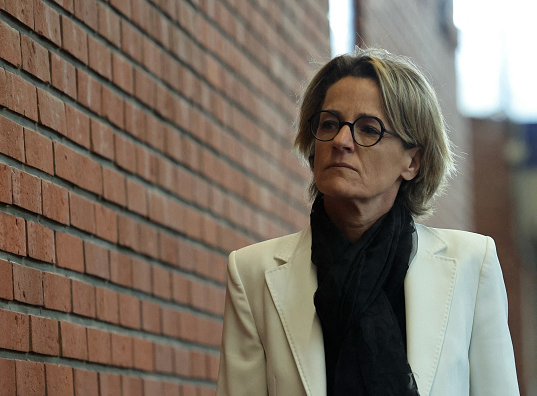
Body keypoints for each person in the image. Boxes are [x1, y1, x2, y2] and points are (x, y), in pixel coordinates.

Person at [215, 48, 520, 396]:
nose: (342, 142)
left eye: (368, 129)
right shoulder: (253, 273)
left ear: (412, 161)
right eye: (329, 124)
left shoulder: (471, 263)